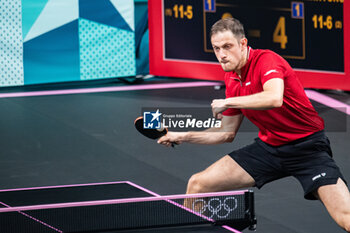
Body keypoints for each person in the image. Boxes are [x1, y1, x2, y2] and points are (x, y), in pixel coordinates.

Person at [157, 18, 350, 231]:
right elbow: (225, 133)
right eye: (216, 48)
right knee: (197, 184)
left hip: (307, 148)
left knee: (345, 216)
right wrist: (181, 135)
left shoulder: (267, 61)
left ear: (243, 44)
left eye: (228, 46)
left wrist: (228, 101)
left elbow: (274, 97)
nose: (222, 54)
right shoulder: (231, 78)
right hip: (268, 149)